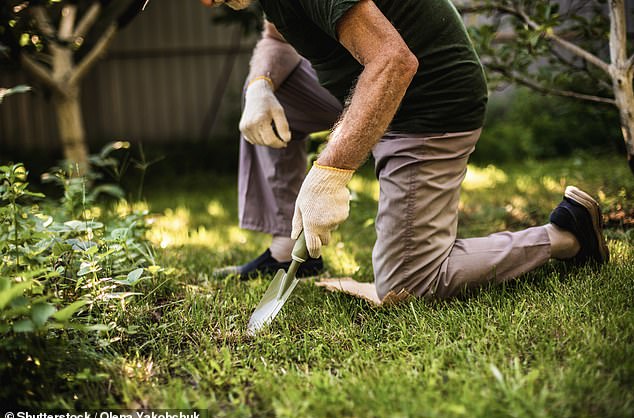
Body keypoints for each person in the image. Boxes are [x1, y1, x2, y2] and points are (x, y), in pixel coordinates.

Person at [204, 0, 609, 303]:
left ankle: (568, 235)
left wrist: (331, 172)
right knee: (272, 94)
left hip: (427, 100)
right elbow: (276, 36)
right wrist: (259, 84)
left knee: (407, 283)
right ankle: (288, 253)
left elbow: (394, 62)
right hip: (360, 83)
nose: (206, 3)